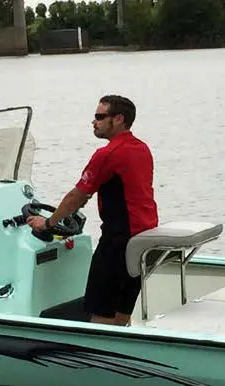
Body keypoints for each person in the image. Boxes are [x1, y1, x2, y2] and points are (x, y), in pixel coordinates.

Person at [27, 95, 158, 326]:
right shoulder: (142, 149)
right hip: (143, 239)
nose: (94, 122)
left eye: (100, 116)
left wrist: (47, 223)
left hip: (118, 242)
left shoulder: (107, 154)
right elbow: (118, 188)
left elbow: (76, 196)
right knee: (121, 312)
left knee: (101, 313)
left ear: (119, 119)